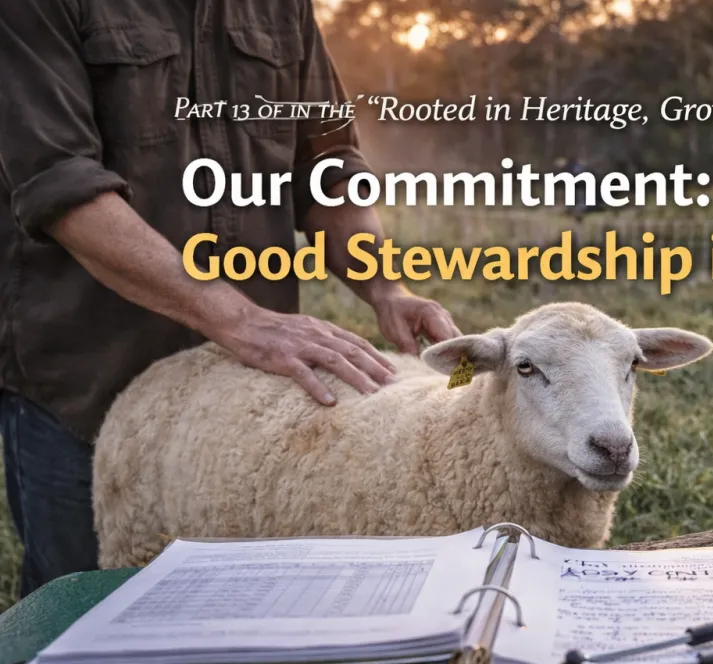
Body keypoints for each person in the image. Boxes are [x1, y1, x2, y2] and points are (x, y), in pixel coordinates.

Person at [0, 0, 460, 596]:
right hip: (87, 382)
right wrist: (237, 318)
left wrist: (384, 286)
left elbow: (327, 163)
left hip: (241, 409)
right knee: (83, 609)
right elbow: (61, 186)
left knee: (248, 610)